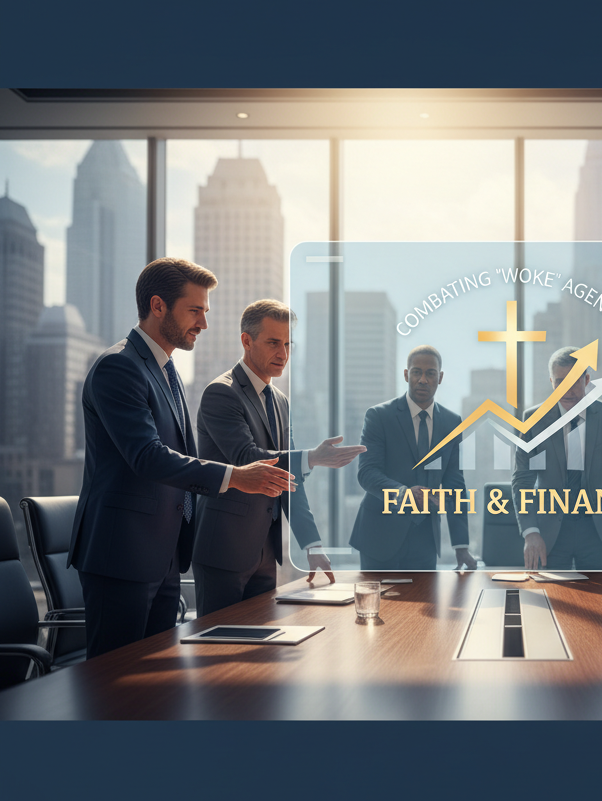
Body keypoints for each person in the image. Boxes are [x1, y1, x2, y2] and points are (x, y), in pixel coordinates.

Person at [69, 259, 296, 659]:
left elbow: (179, 455)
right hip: (121, 553)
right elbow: (147, 457)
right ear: (158, 306)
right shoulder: (118, 367)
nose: (204, 324)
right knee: (112, 687)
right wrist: (234, 476)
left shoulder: (167, 369)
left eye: (205, 312)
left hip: (164, 554)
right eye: (195, 311)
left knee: (154, 692)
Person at [191, 300, 366, 617]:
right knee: (218, 650)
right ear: (247, 341)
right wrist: (311, 457)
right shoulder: (222, 393)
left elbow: (290, 479)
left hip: (265, 554)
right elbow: (247, 459)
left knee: (262, 655)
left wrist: (312, 545)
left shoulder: (281, 402)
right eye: (273, 343)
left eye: (288, 344)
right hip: (224, 550)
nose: (283, 353)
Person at [511, 346, 602, 572]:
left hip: (599, 534)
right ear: (551, 381)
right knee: (552, 602)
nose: (567, 390)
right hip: (550, 534)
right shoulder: (533, 420)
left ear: (587, 379)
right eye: (560, 382)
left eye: (574, 381)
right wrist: (530, 532)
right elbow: (522, 480)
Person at [349, 345, 477, 572]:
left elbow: (455, 484)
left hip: (425, 541)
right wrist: (404, 493)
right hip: (379, 537)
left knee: (426, 606)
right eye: (416, 372)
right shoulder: (379, 416)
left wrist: (461, 544)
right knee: (379, 607)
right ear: (406, 374)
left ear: (440, 378)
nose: (423, 380)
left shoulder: (451, 422)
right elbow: (367, 473)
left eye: (430, 373)